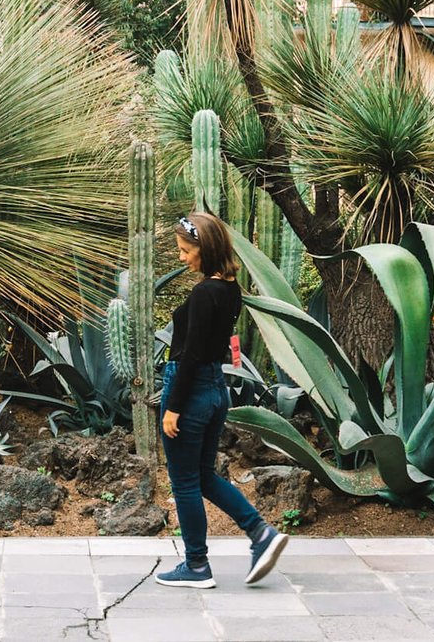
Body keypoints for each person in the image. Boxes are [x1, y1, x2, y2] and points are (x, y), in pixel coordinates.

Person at [155, 210, 288, 589]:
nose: (182, 257)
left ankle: (196, 565)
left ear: (205, 248)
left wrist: (174, 408)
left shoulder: (203, 293)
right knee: (203, 476)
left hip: (190, 388)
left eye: (185, 250)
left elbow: (193, 354)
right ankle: (260, 533)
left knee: (183, 481)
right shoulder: (230, 289)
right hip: (216, 391)